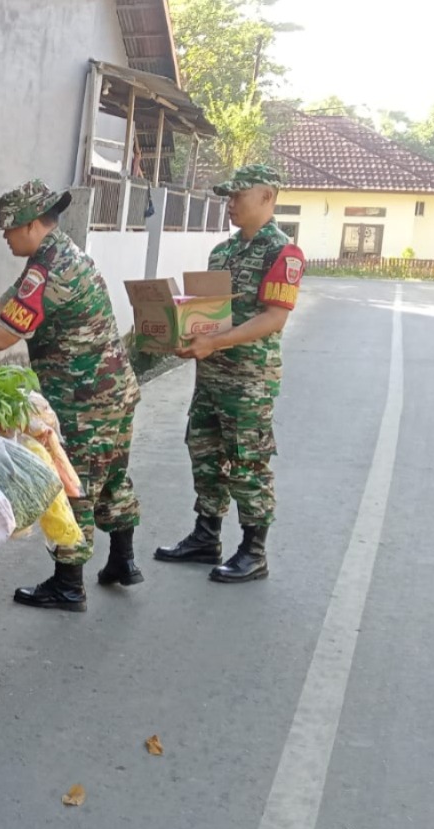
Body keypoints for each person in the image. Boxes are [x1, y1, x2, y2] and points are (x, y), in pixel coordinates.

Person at [0, 180, 143, 612]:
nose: (4, 235)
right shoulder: (57, 255)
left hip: (84, 395)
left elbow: (4, 334)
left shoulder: (48, 268)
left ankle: (69, 583)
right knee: (112, 475)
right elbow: (3, 306)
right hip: (114, 390)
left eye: (8, 227)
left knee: (74, 482)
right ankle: (123, 560)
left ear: (34, 225)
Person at [154, 165, 304, 583]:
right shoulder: (222, 252)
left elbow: (274, 318)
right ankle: (206, 536)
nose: (230, 204)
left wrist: (213, 343)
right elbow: (209, 314)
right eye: (228, 197)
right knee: (205, 454)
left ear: (268, 197)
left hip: (249, 381)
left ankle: (254, 550)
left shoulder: (283, 253)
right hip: (212, 375)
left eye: (239, 196)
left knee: (247, 461)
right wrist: (182, 332)